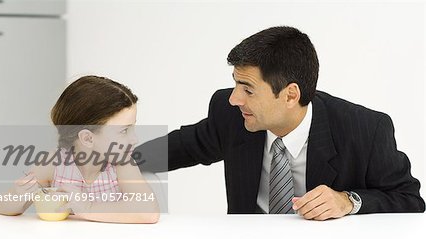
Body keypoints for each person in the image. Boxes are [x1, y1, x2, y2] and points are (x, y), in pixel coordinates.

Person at [135, 26, 424, 220]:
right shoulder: (232, 115)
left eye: (247, 89)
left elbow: (409, 200)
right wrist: (105, 158)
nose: (234, 99)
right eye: (235, 84)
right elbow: (182, 147)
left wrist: (348, 202)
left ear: (290, 95)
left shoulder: (365, 130)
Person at [0, 75, 160, 223]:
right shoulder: (55, 162)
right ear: (87, 138)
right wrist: (19, 195)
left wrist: (88, 208)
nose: (135, 139)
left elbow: (148, 213)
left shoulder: (122, 164)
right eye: (124, 130)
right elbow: (3, 207)